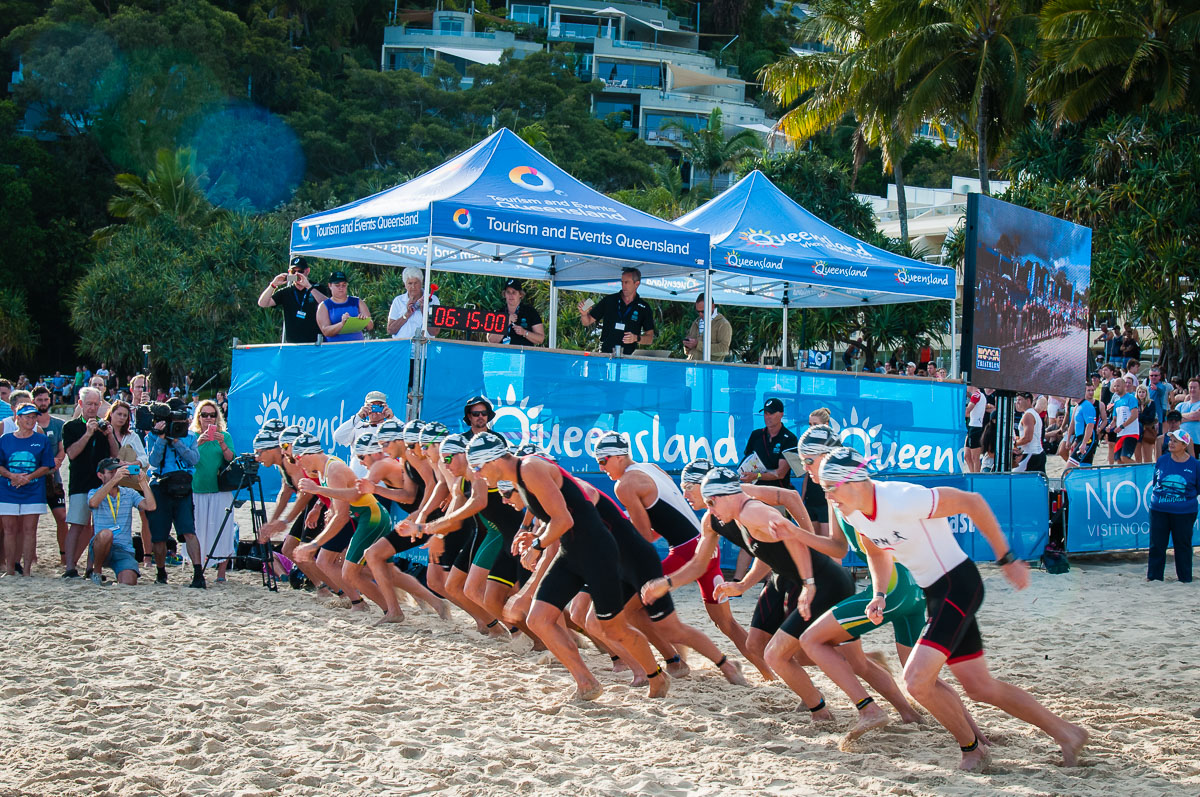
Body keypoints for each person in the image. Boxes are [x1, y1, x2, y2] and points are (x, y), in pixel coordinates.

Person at [819, 446, 1088, 770]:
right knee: (980, 687)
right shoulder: (852, 512)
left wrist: (1008, 559)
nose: (829, 497)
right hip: (936, 592)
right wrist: (879, 594)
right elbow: (876, 552)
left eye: (830, 488)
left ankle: (972, 750)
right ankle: (1068, 733)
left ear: (854, 481)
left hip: (958, 584)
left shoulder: (901, 498)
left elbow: (972, 503)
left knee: (917, 680)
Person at [467, 430, 670, 700]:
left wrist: (537, 546)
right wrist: (536, 536)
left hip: (598, 552)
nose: (479, 474)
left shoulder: (530, 469)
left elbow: (565, 520)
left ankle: (656, 675)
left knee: (612, 628)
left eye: (478, 467)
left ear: (493, 460)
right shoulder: (521, 476)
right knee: (538, 619)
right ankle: (586, 682)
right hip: (571, 551)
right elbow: (559, 518)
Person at [593, 432, 754, 683]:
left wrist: (617, 528)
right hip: (705, 544)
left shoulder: (625, 485)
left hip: (686, 552)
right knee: (726, 623)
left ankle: (675, 661)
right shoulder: (652, 468)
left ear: (620, 456)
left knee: (633, 611)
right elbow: (663, 522)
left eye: (603, 461)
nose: (600, 467)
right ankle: (765, 671)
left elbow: (645, 536)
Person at [61, 387, 120, 578]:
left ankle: (91, 567)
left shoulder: (105, 427)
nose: (93, 408)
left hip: (101, 483)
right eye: (89, 404)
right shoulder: (71, 427)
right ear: (80, 404)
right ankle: (70, 567)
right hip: (79, 482)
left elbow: (115, 455)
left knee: (98, 526)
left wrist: (110, 434)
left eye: (96, 404)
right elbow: (71, 453)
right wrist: (87, 433)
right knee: (77, 524)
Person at [145, 400, 203, 588]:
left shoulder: (190, 436)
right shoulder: (153, 436)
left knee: (189, 531)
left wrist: (177, 442)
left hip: (182, 488)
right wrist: (162, 438)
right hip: (160, 486)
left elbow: (194, 459)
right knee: (159, 535)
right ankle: (161, 572)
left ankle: (198, 573)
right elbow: (153, 461)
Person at [0, 403, 56, 576]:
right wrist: (12, 476)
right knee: (9, 530)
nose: (31, 420)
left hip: (33, 490)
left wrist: (28, 478)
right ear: (18, 418)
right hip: (8, 490)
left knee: (30, 530)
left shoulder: (41, 439)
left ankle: (27, 570)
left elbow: (47, 465)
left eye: (33, 417)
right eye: (27, 417)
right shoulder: (5, 439)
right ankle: (10, 569)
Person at [86, 458, 156, 586]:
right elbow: (93, 503)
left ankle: (117, 576)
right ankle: (96, 572)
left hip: (123, 548)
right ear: (100, 475)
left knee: (129, 581)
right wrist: (114, 479)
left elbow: (151, 506)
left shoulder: (128, 493)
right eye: (111, 472)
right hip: (101, 545)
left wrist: (143, 482)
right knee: (106, 534)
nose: (115, 474)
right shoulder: (95, 492)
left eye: (117, 471)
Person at [190, 399, 237, 582]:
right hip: (197, 488)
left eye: (212, 415)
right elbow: (186, 458)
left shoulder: (225, 436)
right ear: (198, 417)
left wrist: (222, 444)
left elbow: (232, 459)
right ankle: (198, 568)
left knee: (223, 529)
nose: (208, 419)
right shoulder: (192, 436)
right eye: (204, 415)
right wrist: (198, 443)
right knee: (197, 530)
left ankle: (221, 573)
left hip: (220, 489)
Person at [1147, 430, 1198, 583]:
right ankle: (1154, 577)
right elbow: (1156, 482)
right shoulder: (1162, 460)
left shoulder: (1195, 465)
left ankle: (1185, 578)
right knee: (1157, 545)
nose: (1171, 443)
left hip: (1184, 511)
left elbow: (1197, 487)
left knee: (1182, 545)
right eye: (1170, 440)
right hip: (1159, 509)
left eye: (1175, 441)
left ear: (1184, 445)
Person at [578, 267, 655, 355]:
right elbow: (587, 322)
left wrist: (636, 338)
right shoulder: (609, 300)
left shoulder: (644, 307)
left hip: (628, 357)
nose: (623, 286)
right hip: (606, 354)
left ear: (636, 284)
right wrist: (584, 314)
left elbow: (650, 338)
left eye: (627, 282)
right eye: (622, 282)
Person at [31, 387, 68, 565]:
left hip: (54, 479)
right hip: (35, 479)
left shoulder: (58, 424)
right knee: (32, 521)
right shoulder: (28, 424)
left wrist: (57, 460)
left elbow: (62, 450)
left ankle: (64, 556)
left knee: (62, 517)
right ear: (33, 402)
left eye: (46, 399)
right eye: (40, 400)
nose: (43, 403)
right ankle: (32, 556)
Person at [257, 255, 329, 344]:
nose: (296, 275)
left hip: (315, 343)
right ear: (289, 272)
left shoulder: (318, 288)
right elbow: (262, 303)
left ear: (307, 271)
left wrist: (308, 287)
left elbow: (328, 305)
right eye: (293, 271)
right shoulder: (285, 292)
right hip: (293, 344)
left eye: (300, 271)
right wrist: (273, 284)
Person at [332, 390, 395, 477]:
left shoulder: (391, 427)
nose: (375, 410)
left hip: (382, 481)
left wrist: (392, 418)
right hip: (357, 480)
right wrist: (358, 416)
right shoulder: (357, 425)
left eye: (379, 406)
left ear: (385, 407)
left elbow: (405, 438)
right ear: (365, 406)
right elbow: (338, 437)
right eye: (372, 406)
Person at [742, 398, 798, 489]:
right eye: (765, 413)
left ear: (781, 414)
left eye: (771, 413)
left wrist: (756, 476)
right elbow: (747, 459)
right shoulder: (756, 435)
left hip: (778, 495)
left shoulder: (790, 439)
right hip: (755, 493)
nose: (767, 417)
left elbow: (780, 473)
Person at [317, 270, 373, 342]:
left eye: (344, 285)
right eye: (337, 285)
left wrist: (365, 321)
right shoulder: (324, 306)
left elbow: (370, 326)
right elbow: (326, 331)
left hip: (358, 347)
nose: (341, 288)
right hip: (337, 349)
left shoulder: (357, 302)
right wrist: (342, 324)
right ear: (330, 285)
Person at [487, 279, 544, 347]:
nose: (511, 295)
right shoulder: (498, 313)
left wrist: (525, 333)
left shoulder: (530, 311)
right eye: (508, 292)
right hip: (503, 354)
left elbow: (540, 339)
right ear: (504, 294)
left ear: (520, 294)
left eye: (514, 292)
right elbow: (491, 340)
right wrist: (505, 323)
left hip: (523, 354)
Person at [682, 294, 732, 362]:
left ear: (712, 306)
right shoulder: (696, 322)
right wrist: (687, 345)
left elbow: (724, 349)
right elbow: (687, 352)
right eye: (698, 311)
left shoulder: (723, 324)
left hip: (711, 369)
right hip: (692, 368)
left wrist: (697, 344)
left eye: (703, 311)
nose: (700, 314)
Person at [1066, 381, 1099, 472]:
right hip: (1081, 437)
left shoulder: (1087, 406)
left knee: (1068, 470)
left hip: (1088, 438)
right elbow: (1073, 424)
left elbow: (1090, 425)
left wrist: (1084, 443)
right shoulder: (1078, 406)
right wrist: (1071, 439)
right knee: (1084, 469)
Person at [1107, 376, 1140, 465]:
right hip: (1120, 433)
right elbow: (1115, 419)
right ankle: (1124, 478)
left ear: (1123, 386)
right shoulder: (1117, 402)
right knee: (1118, 460)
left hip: (1131, 433)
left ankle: (1140, 470)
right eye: (1115, 386)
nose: (1116, 388)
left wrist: (1122, 426)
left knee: (1124, 457)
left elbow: (1134, 415)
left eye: (1118, 386)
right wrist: (1110, 426)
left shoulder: (1131, 398)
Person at [1012, 392, 1046, 473]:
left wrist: (1014, 444)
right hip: (1037, 453)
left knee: (1014, 477)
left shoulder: (1028, 415)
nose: (1017, 402)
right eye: (1017, 400)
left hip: (1031, 454)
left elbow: (1027, 438)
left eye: (1020, 400)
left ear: (1028, 400)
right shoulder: (1033, 414)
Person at [964, 386, 988, 473]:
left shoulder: (977, 395)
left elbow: (967, 411)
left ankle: (976, 475)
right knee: (967, 456)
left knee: (975, 457)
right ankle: (972, 473)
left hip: (976, 427)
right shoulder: (977, 395)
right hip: (972, 425)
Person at [1135, 385, 1159, 464]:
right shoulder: (1135, 403)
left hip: (1147, 431)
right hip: (1137, 431)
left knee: (1147, 458)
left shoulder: (1151, 403)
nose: (1141, 394)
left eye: (1143, 392)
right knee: (1137, 457)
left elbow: (1150, 418)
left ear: (1146, 393)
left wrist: (1139, 416)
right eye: (1139, 392)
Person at [1178, 377, 1200, 457]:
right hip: (1181, 441)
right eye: (1190, 387)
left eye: (1194, 387)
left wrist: (1181, 416)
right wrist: (1191, 415)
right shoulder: (1180, 405)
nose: (1192, 390)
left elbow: (1196, 416)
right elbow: (1174, 419)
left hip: (1197, 442)